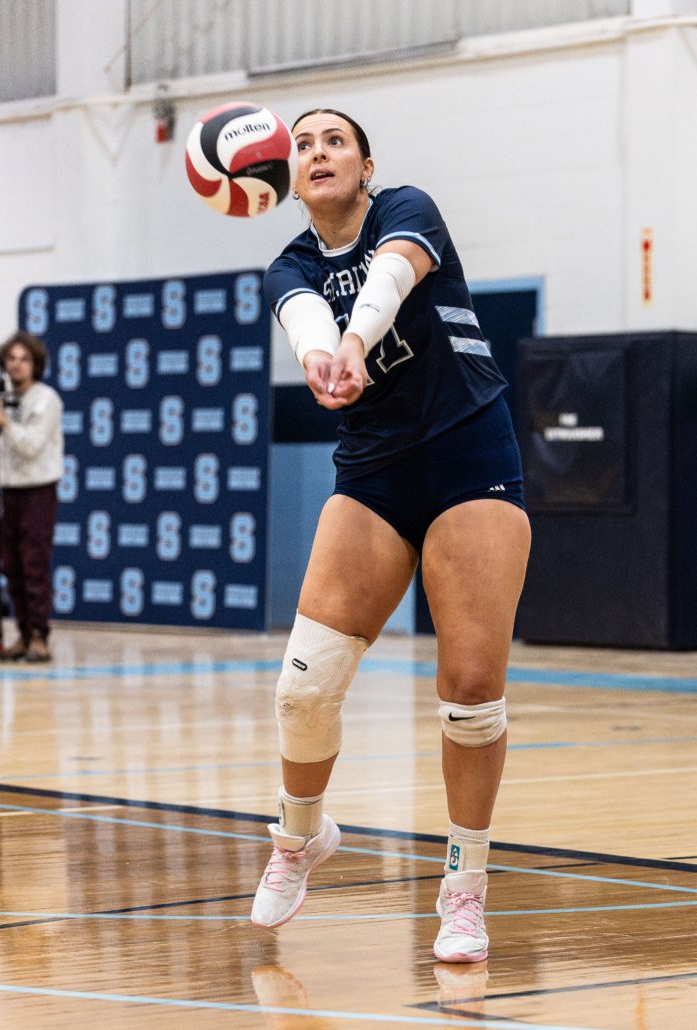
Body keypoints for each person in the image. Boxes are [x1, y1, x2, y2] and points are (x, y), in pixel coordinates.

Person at [250, 109, 531, 963]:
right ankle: (300, 837)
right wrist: (319, 356)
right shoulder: (287, 264)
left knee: (473, 692)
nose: (318, 153)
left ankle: (464, 889)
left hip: (468, 455)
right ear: (288, 177)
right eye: (303, 146)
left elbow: (391, 278)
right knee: (303, 690)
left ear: (366, 164)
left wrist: (356, 340)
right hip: (372, 474)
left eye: (334, 140)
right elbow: (302, 316)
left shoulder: (408, 209)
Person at [0, 331, 64, 663]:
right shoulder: (4, 400)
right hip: (9, 489)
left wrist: (5, 423)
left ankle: (41, 635)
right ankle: (23, 633)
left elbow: (31, 446)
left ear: (35, 363)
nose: (16, 365)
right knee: (10, 563)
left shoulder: (46, 399)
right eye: (10, 359)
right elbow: (0, 449)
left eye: (23, 359)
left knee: (33, 562)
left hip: (37, 489)